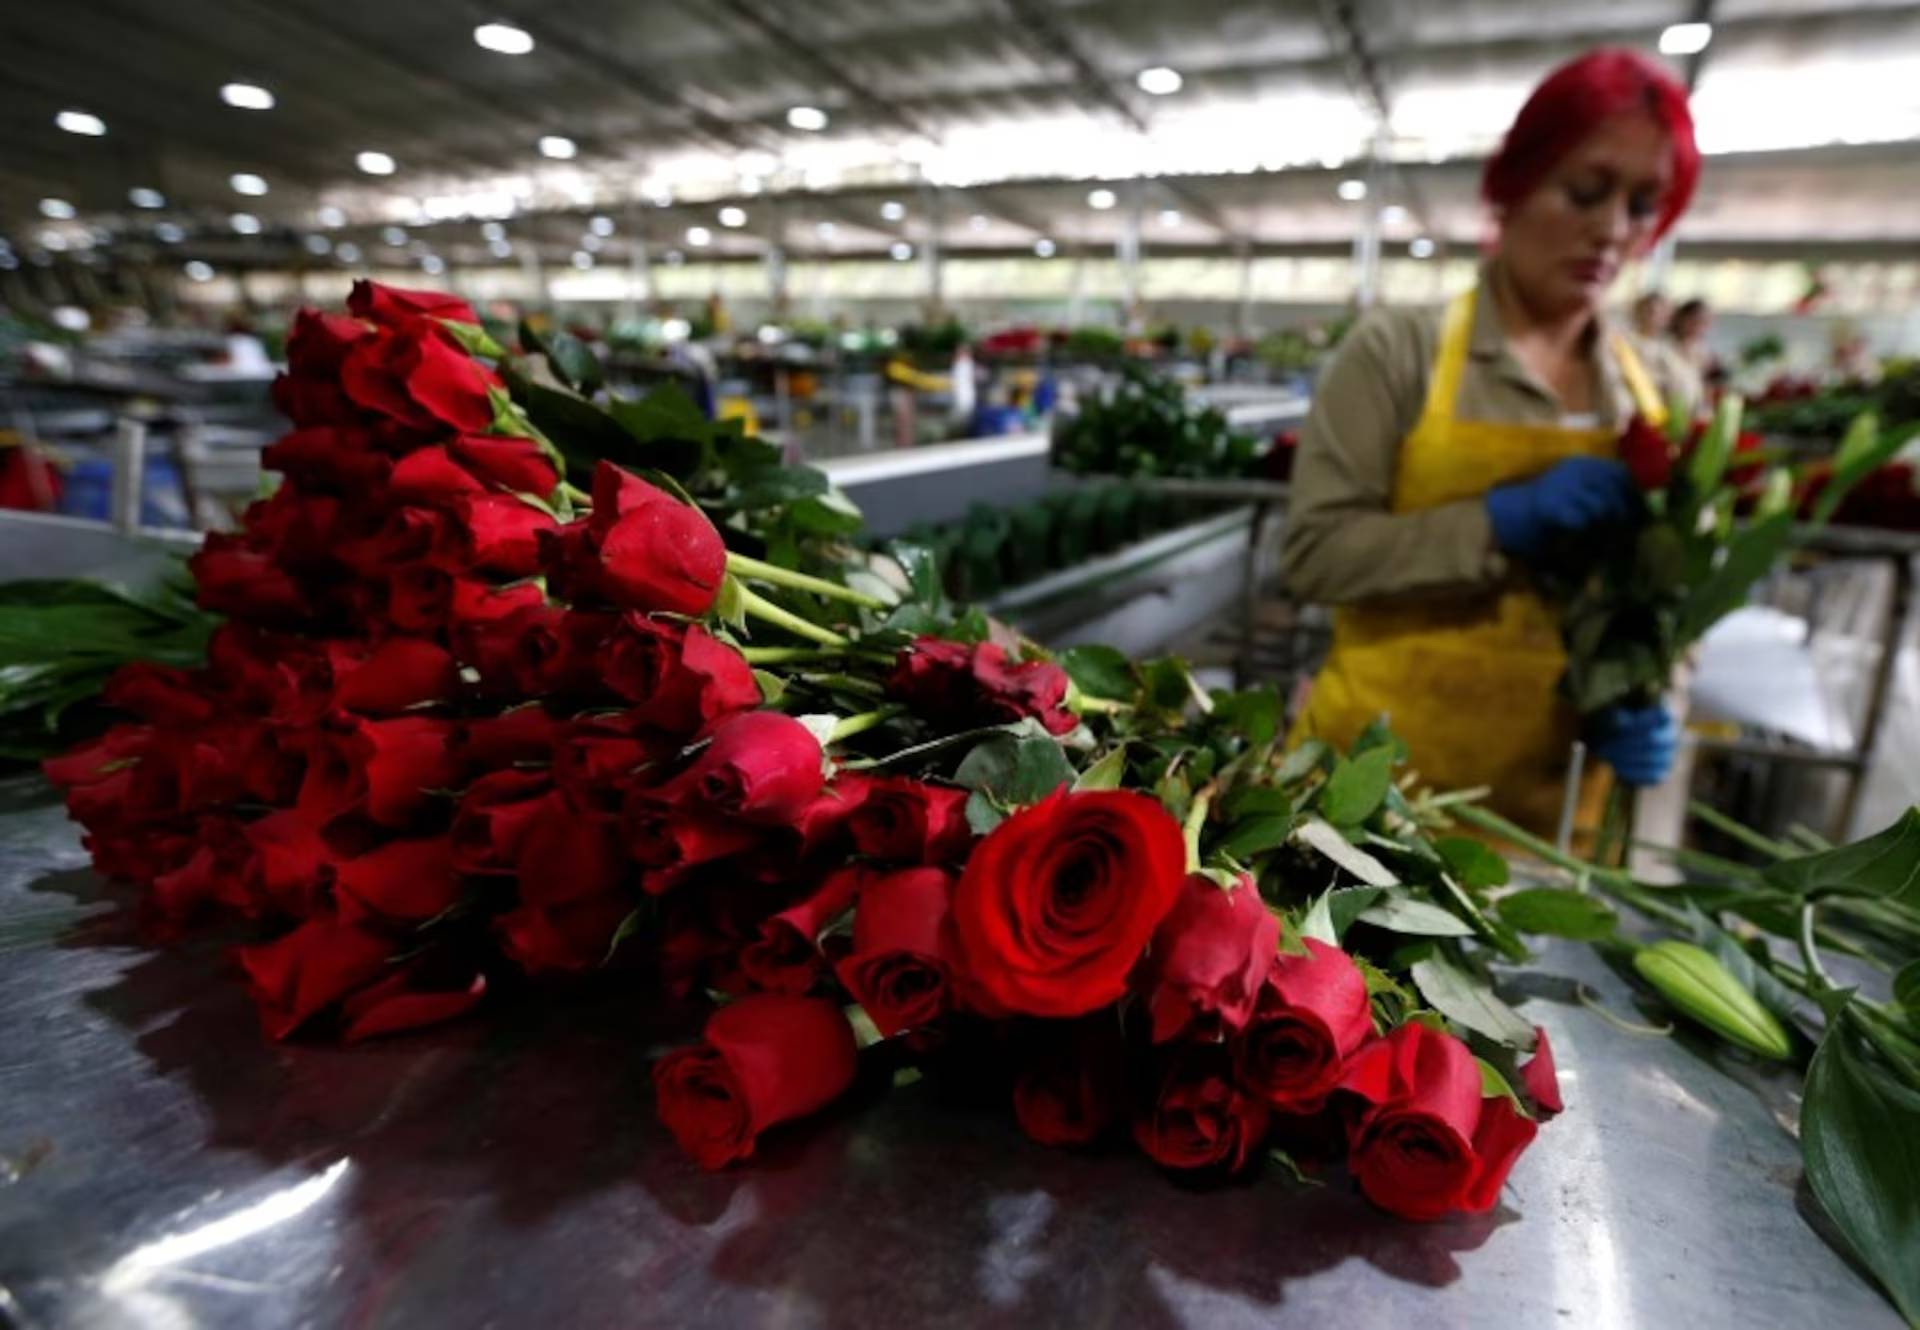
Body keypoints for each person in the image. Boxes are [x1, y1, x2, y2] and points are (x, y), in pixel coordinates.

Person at [1281, 48, 1702, 837]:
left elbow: (1678, 589)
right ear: (1511, 186)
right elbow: (1313, 555)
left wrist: (1660, 690)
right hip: (1366, 809)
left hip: (1556, 819)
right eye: (1584, 189)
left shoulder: (1664, 391)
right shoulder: (1396, 354)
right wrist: (1494, 524)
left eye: (1644, 205)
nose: (1612, 229)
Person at [1668, 297, 1716, 379]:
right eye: (1694, 320)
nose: (1697, 326)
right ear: (1680, 318)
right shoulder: (1664, 346)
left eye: (1703, 322)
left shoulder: (1704, 352)